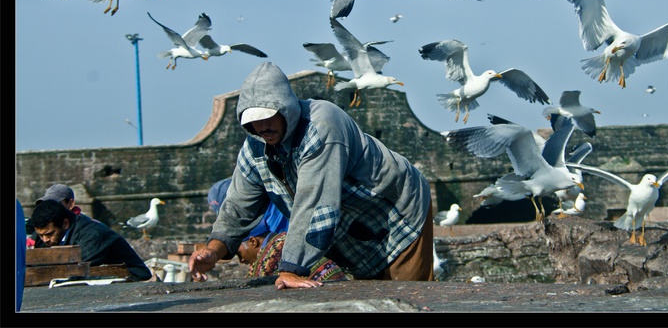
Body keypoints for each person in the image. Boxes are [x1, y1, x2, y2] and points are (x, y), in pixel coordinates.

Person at [189, 61, 434, 288]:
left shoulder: (321, 125)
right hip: (357, 235)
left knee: (407, 294)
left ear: (285, 109)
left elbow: (315, 203)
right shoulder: (255, 147)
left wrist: (292, 268)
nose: (262, 127)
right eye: (253, 121)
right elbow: (238, 206)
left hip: (397, 212)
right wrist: (213, 250)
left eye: (267, 117)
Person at [30, 199, 152, 281]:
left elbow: (74, 270)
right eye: (41, 235)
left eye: (49, 234)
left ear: (65, 224)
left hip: (130, 278)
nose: (45, 240)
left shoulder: (93, 235)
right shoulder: (44, 237)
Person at [238, 230, 352, 282]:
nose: (241, 260)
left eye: (239, 254)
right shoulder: (284, 238)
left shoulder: (270, 254)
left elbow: (256, 281)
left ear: (253, 241)